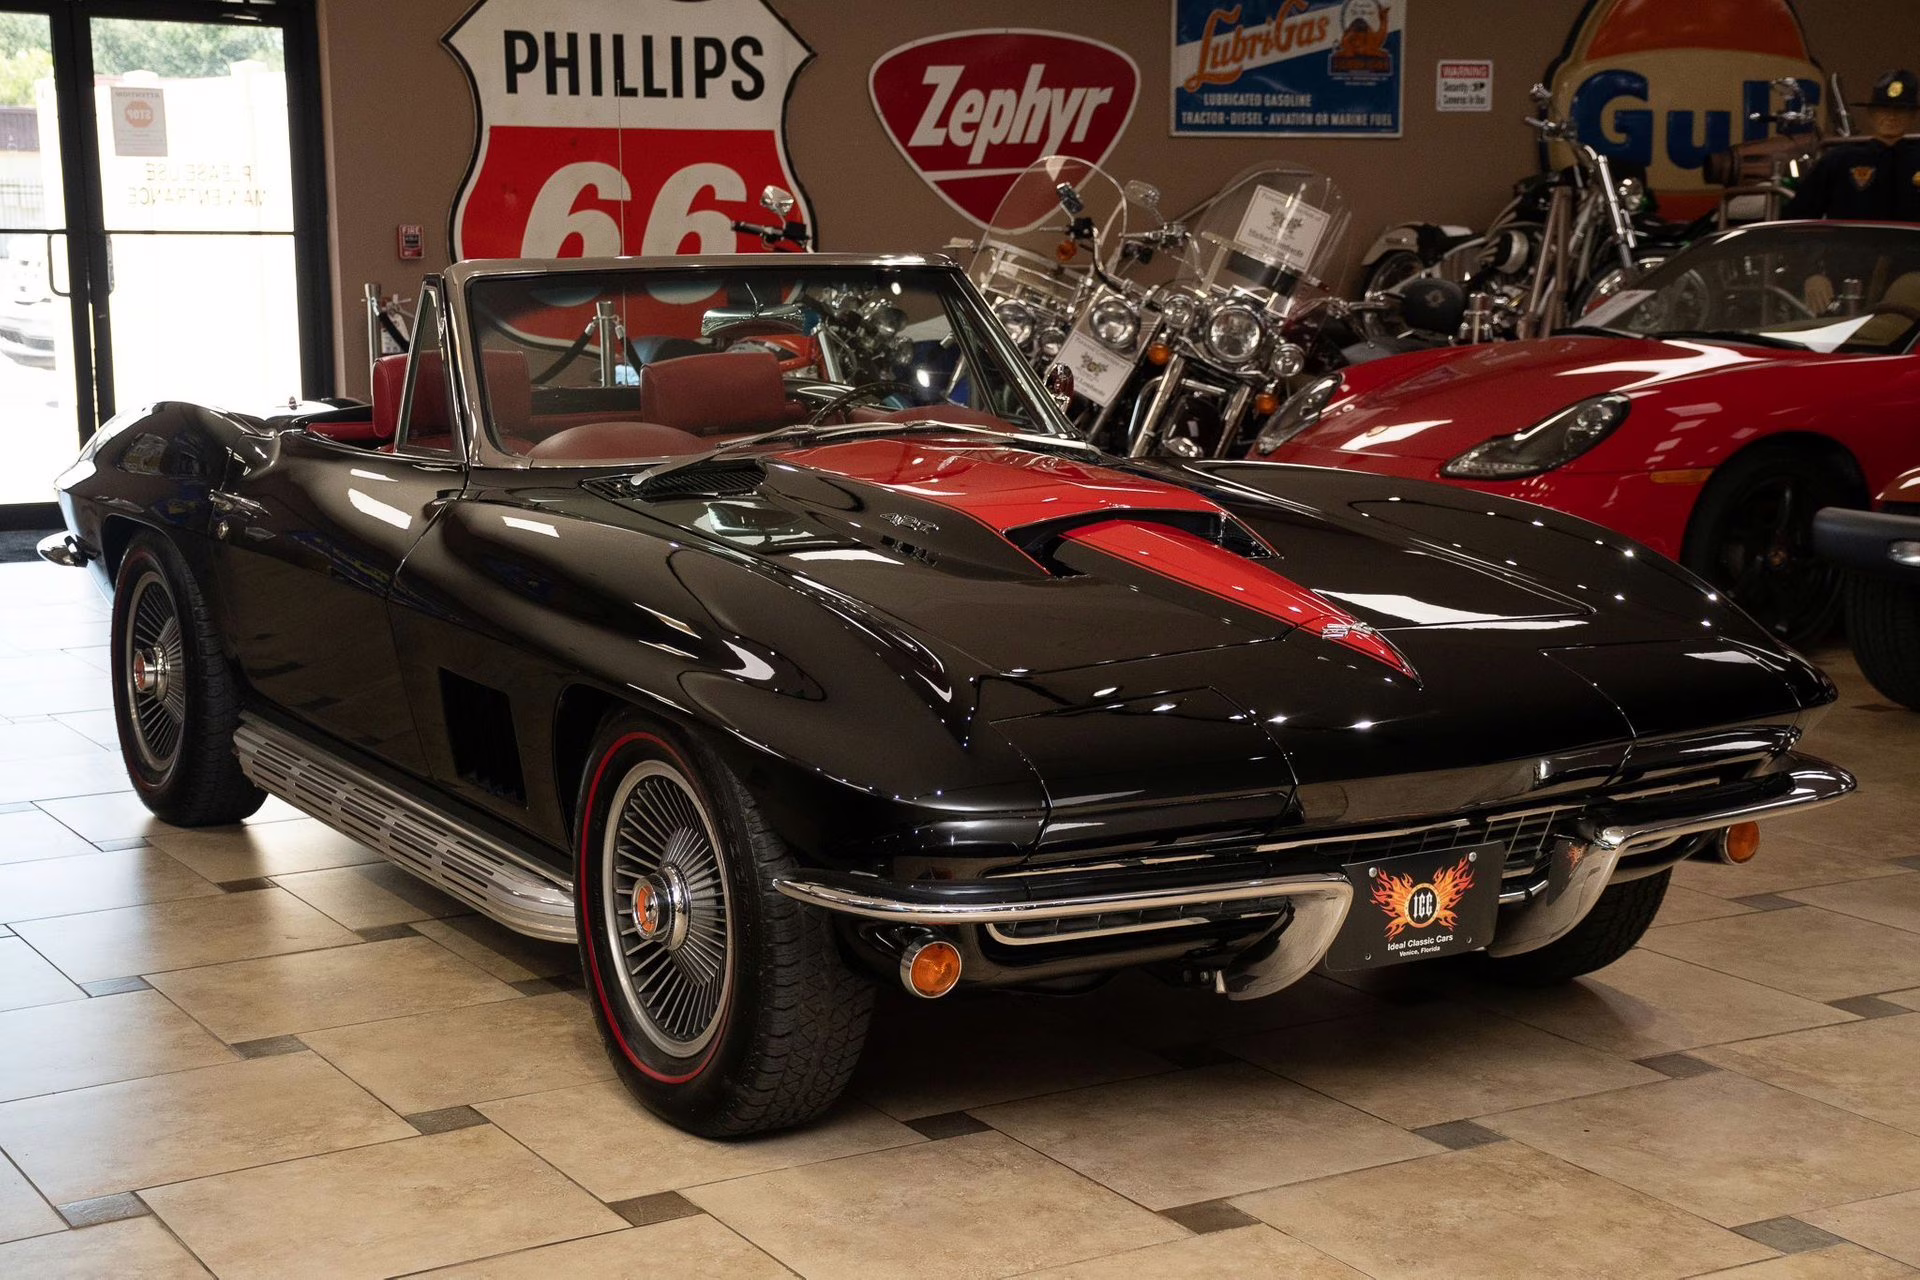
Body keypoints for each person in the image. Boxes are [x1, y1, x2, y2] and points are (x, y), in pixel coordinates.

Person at [1784, 69, 1920, 221]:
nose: (1891, 116)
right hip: (1849, 244)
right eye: (1883, 109)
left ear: (1913, 115)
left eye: (1900, 110)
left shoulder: (1916, 162)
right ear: (1871, 113)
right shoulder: (1839, 161)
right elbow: (1799, 216)